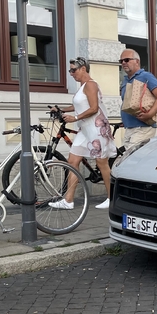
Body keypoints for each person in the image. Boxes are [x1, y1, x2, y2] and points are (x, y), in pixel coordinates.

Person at [49, 57, 117, 210]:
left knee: (101, 163)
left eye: (74, 70)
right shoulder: (82, 87)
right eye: (70, 70)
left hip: (97, 129)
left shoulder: (91, 85)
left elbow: (93, 108)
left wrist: (75, 117)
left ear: (83, 69)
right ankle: (68, 200)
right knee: (72, 161)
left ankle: (111, 198)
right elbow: (79, 105)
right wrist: (60, 110)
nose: (71, 73)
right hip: (85, 130)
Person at [119, 49, 157, 149]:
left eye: (127, 60)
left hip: (143, 127)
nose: (123, 63)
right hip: (130, 127)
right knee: (131, 159)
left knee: (132, 159)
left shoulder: (146, 76)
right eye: (121, 61)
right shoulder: (125, 80)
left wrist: (150, 114)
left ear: (137, 61)